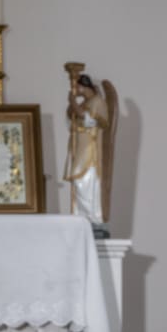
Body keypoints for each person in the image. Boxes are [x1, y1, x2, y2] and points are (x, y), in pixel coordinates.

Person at [63, 73, 113, 229]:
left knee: (85, 180)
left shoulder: (98, 101)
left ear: (84, 86)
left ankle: (91, 218)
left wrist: (72, 101)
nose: (75, 90)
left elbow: (90, 120)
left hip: (90, 149)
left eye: (77, 87)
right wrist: (73, 104)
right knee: (79, 182)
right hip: (81, 146)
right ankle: (81, 219)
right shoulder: (86, 102)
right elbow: (72, 116)